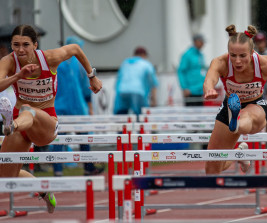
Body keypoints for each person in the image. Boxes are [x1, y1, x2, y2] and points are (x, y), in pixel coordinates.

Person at [0, 25, 102, 213]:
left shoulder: (49, 58)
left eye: (25, 45)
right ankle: (45, 191)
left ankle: (10, 125)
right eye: (16, 45)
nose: (20, 49)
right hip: (21, 126)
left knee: (27, 109)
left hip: (46, 123)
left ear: (35, 45)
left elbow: (75, 49)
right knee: (5, 177)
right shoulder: (9, 61)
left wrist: (92, 76)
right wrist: (18, 75)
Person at [203, 24, 267, 175]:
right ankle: (239, 152)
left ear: (251, 52)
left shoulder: (264, 64)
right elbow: (210, 78)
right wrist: (209, 89)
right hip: (229, 106)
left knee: (245, 117)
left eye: (243, 56)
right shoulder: (221, 62)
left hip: (255, 106)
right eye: (233, 55)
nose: (237, 61)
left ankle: (236, 121)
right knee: (212, 169)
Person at [53, 36, 104, 176]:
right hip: (75, 106)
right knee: (83, 137)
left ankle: (58, 171)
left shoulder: (57, 62)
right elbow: (86, 86)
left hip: (59, 105)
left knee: (58, 138)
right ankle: (88, 167)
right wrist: (90, 106)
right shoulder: (80, 64)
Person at [113, 46, 159, 119]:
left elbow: (118, 80)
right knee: (140, 116)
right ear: (143, 55)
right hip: (137, 91)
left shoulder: (125, 63)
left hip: (121, 91)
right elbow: (153, 82)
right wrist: (154, 99)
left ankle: (120, 130)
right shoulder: (146, 64)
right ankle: (140, 129)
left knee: (121, 117)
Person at [177, 34, 206, 106]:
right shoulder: (187, 55)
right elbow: (181, 71)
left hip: (200, 90)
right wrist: (184, 87)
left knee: (200, 115)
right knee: (191, 116)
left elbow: (202, 70)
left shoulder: (200, 55)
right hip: (190, 91)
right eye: (201, 41)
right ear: (195, 41)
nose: (203, 44)